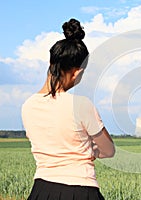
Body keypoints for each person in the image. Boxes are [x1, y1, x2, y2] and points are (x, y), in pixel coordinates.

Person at [22, 18, 115, 200]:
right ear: (77, 72)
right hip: (80, 190)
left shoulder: (28, 106)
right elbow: (108, 150)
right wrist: (92, 150)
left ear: (51, 64)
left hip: (41, 190)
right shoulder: (81, 104)